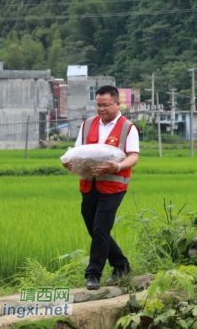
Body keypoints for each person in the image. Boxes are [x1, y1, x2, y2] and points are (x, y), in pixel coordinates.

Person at [62, 86, 139, 290]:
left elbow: (133, 156)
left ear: (117, 103)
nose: (101, 109)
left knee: (100, 229)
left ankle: (93, 274)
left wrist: (118, 166)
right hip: (88, 184)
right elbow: (77, 151)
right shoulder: (87, 125)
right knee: (94, 229)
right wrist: (69, 161)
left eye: (105, 105)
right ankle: (121, 265)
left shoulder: (127, 127)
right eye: (98, 105)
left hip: (113, 187)